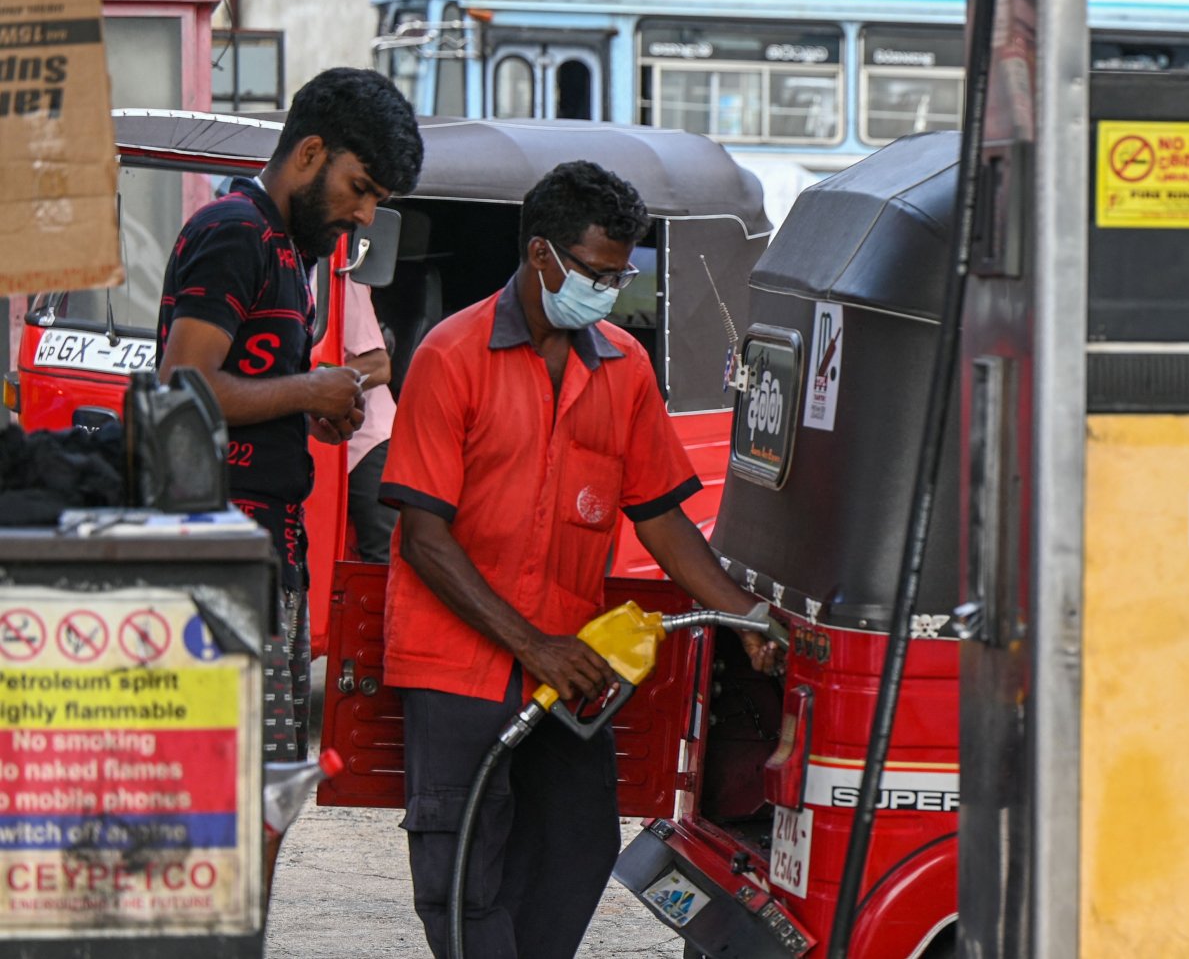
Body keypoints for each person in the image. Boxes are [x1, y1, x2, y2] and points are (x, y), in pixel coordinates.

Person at [379, 160, 780, 959]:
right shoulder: (450, 355)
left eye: (621, 274)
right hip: (461, 666)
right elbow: (424, 536)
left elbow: (662, 518)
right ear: (541, 256)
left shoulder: (624, 367)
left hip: (570, 667)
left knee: (577, 847)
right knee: (462, 869)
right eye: (596, 272)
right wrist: (534, 645)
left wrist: (743, 616)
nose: (609, 289)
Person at [157, 67, 423, 766]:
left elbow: (244, 387)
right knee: (236, 791)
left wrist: (311, 408)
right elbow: (184, 388)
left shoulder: (289, 251)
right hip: (219, 560)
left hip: (266, 551)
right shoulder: (236, 232)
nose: (364, 214)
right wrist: (308, 391)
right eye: (360, 189)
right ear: (309, 153)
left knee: (266, 785)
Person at [344, 275, 399, 563]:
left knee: (381, 561)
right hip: (324, 439)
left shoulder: (341, 278)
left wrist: (307, 384)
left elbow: (378, 366)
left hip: (366, 441)